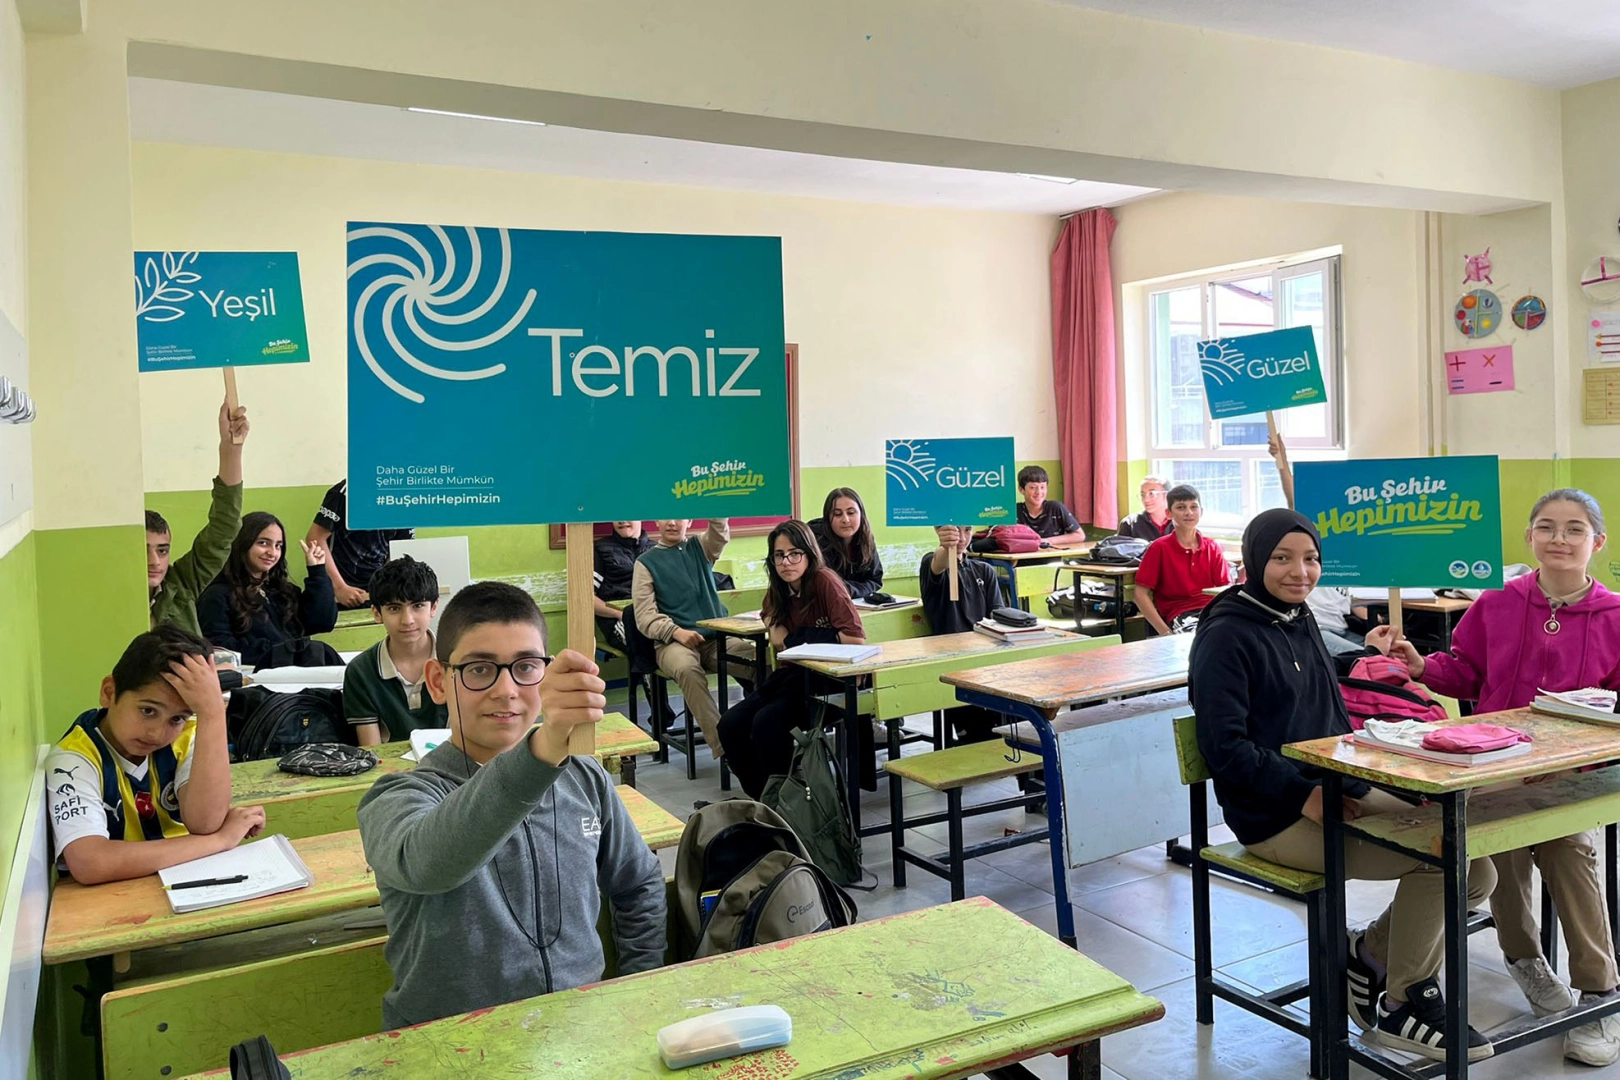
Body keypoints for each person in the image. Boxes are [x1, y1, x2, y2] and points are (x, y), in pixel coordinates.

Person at [1191, 509, 1498, 1063]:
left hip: (1334, 789)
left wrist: (1370, 666)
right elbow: (1224, 748)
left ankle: (1367, 957)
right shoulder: (1226, 635)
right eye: (1282, 558)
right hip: (1273, 816)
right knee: (1444, 860)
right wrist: (1303, 794)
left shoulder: (1295, 615)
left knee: (1477, 869)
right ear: (1254, 560)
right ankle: (1402, 1006)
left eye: (1310, 559)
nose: (1300, 571)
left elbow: (1327, 709)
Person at [1370, 489, 1620, 1066]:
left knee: (1569, 850)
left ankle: (1599, 990)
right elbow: (1465, 673)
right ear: (1529, 537)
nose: (1559, 539)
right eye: (1547, 527)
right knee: (1492, 846)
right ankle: (1526, 961)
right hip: (1492, 768)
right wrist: (1421, 666)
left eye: (1575, 529)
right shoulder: (1497, 603)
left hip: (1568, 775)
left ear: (1597, 542)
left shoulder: (1614, 615)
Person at [357, 582, 665, 1029]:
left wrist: (637, 987)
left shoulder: (584, 778)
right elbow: (429, 865)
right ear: (439, 682)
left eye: (526, 667)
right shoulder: (397, 798)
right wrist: (544, 747)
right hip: (453, 1043)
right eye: (479, 669)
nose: (506, 690)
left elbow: (638, 882)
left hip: (580, 1031)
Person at [46, 626, 267, 884]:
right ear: (109, 693)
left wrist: (213, 713)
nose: (157, 733)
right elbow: (90, 862)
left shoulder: (187, 735)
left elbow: (205, 822)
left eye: (177, 718)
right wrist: (220, 840)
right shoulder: (73, 759)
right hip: (111, 897)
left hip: (183, 881)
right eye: (148, 711)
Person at [718, 521, 865, 797]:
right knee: (730, 724)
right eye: (779, 555)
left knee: (767, 723)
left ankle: (788, 800)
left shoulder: (825, 581)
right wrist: (777, 628)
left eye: (794, 553)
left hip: (829, 683)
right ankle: (765, 798)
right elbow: (769, 616)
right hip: (793, 678)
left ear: (809, 553)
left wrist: (798, 637)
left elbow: (855, 639)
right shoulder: (780, 587)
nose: (786, 562)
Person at [631, 519, 756, 756]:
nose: (671, 522)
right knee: (687, 670)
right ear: (656, 521)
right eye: (665, 516)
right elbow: (645, 616)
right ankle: (726, 748)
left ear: (689, 520)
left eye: (678, 516)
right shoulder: (645, 562)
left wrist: (711, 504)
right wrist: (675, 631)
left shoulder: (701, 547)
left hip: (715, 639)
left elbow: (719, 534)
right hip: (672, 643)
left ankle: (766, 730)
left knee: (760, 660)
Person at [147, 400, 250, 637]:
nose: (154, 561)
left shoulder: (181, 584)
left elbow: (224, 528)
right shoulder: (111, 592)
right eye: (145, 551)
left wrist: (231, 449)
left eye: (162, 550)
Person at [1267, 431, 1370, 657]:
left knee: (1384, 657)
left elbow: (1353, 604)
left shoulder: (1351, 557)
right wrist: (1281, 458)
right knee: (1369, 660)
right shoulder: (1310, 547)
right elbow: (1295, 499)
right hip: (1315, 629)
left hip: (1341, 629)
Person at [197, 511, 339, 667]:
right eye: (263, 543)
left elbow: (322, 622)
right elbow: (221, 650)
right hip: (254, 677)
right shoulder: (216, 595)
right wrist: (280, 651)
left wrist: (317, 571)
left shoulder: (281, 590)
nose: (272, 553)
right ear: (242, 544)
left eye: (278, 546)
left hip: (295, 673)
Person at [344, 556, 447, 747]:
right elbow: (372, 751)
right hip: (389, 766)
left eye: (418, 606)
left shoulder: (456, 661)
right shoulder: (361, 671)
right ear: (377, 613)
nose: (407, 620)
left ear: (433, 608)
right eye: (394, 608)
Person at [919, 524, 1006, 742]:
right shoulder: (931, 562)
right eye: (954, 530)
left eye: (967, 530)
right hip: (954, 666)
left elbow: (998, 617)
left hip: (987, 662)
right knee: (978, 736)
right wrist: (946, 546)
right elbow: (938, 563)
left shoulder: (984, 570)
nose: (961, 537)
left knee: (1012, 723)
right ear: (939, 530)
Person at [1134, 484, 1231, 635]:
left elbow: (1225, 590)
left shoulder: (1212, 547)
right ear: (1168, 513)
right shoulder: (1159, 548)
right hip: (1182, 615)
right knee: (1204, 636)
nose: (1188, 513)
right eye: (1181, 507)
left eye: (1194, 507)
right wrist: (1165, 633)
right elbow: (1140, 594)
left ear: (1201, 511)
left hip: (1214, 612)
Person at [307, 480, 415, 609]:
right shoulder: (344, 492)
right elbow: (315, 538)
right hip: (339, 589)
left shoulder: (406, 495)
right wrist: (339, 587)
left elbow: (400, 548)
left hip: (379, 590)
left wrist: (385, 586)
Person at [809, 488, 885, 600]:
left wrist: (849, 589)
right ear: (827, 518)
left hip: (857, 604)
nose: (845, 520)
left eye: (851, 513)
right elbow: (826, 586)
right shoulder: (814, 541)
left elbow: (875, 581)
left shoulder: (866, 538)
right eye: (837, 514)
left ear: (861, 515)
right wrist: (851, 589)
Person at [593, 521, 654, 652]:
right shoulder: (601, 549)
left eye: (628, 514)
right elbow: (587, 598)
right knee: (645, 642)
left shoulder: (656, 550)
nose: (622, 521)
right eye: (617, 516)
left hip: (651, 614)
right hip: (617, 619)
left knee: (672, 637)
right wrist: (620, 614)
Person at [1015, 466, 1085, 546]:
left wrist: (1048, 541)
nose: (1039, 492)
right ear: (1021, 489)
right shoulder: (1014, 511)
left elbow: (1079, 535)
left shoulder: (1055, 507)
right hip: (1024, 554)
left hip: (1052, 554)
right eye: (1033, 487)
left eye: (1042, 487)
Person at [1115, 475, 1172, 542]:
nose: (1146, 499)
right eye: (1142, 494)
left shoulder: (1181, 521)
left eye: (1152, 494)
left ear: (1167, 495)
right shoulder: (1130, 523)